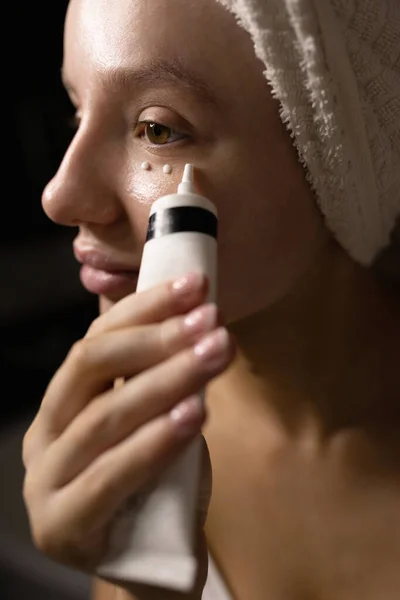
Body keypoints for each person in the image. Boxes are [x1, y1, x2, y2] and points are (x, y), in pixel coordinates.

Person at [22, 0, 400, 599]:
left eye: (156, 129)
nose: (60, 197)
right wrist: (140, 588)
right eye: (77, 110)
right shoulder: (142, 445)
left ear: (341, 160)